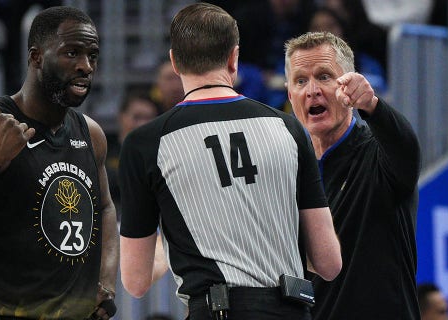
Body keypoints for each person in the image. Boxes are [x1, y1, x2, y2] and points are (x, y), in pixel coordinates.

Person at [119, 3, 341, 320]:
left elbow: (136, 281)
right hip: (291, 309)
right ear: (234, 58)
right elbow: (329, 263)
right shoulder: (289, 128)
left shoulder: (145, 143)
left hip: (217, 310)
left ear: (174, 62)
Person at [0, 6, 119, 319]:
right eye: (72, 53)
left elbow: (106, 208)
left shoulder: (92, 134)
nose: (86, 66)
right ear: (36, 57)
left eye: (92, 56)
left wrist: (106, 284)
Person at [284, 31, 421, 320]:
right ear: (289, 94)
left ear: (348, 84)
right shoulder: (286, 171)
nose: (312, 91)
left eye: (324, 76)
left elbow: (406, 147)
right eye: (300, 80)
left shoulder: (378, 154)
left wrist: (373, 105)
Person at [105, 89, 158, 214]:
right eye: (137, 117)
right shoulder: (105, 151)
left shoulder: (163, 156)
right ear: (121, 117)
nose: (142, 124)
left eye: (149, 118)